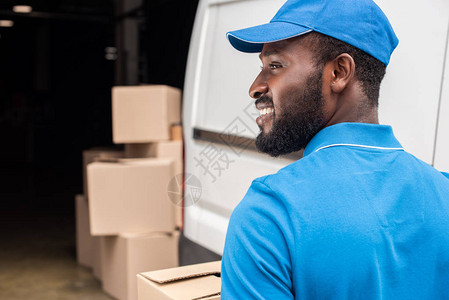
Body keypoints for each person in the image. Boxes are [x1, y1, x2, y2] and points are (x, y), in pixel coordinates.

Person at [221, 0, 449, 299]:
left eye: (275, 65)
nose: (256, 87)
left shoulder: (270, 213)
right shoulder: (443, 191)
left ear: (339, 72)